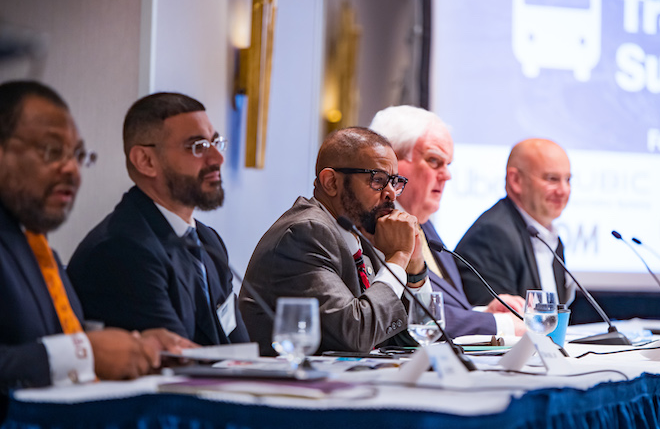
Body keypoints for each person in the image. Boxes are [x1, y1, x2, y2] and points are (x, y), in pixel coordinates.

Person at [0, 81, 193, 407]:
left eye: (77, 155)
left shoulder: (34, 244)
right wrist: (85, 353)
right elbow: (68, 353)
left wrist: (133, 345)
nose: (72, 169)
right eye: (51, 151)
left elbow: (48, 338)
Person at [67, 93, 249, 346]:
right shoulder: (122, 248)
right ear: (146, 161)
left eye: (216, 142)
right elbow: (176, 362)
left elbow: (237, 344)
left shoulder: (207, 241)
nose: (217, 159)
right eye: (197, 147)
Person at [239, 127, 427, 355]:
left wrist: (415, 267)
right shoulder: (305, 233)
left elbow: (417, 336)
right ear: (331, 182)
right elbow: (356, 334)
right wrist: (398, 257)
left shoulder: (364, 236)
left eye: (395, 182)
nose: (391, 194)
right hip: (291, 387)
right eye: (378, 180)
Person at [370, 105, 525, 338]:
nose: (447, 175)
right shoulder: (375, 228)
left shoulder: (424, 226)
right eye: (434, 161)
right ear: (391, 162)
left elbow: (441, 308)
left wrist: (483, 311)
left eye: (448, 164)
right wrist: (499, 324)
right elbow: (407, 316)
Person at [455, 138, 574, 306]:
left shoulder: (550, 239)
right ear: (516, 180)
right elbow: (499, 322)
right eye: (552, 179)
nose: (563, 190)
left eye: (568, 180)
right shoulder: (493, 235)